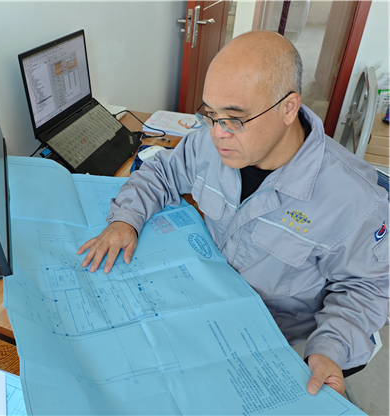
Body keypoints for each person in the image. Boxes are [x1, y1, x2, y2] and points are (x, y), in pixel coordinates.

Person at [77, 30, 390, 397]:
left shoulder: (356, 199)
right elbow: (162, 172)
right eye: (210, 114)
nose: (217, 134)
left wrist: (329, 350)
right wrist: (125, 219)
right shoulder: (209, 142)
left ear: (289, 108)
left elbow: (365, 288)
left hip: (275, 338)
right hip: (202, 301)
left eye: (234, 118)